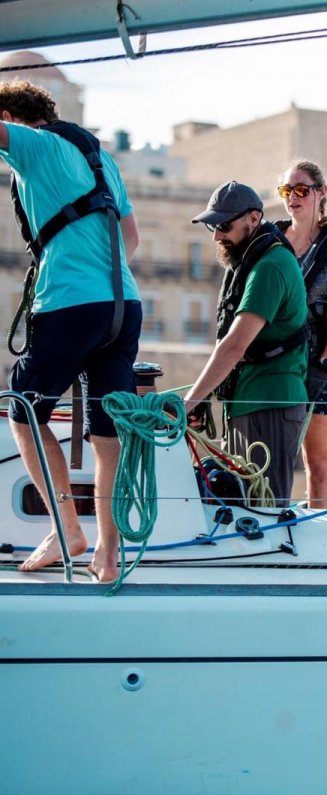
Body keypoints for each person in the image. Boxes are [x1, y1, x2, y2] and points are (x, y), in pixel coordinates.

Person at [1, 79, 142, 582]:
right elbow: (131, 236)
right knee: (108, 434)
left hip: (69, 303)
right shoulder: (99, 158)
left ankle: (66, 528)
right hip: (124, 304)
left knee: (23, 407)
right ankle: (107, 549)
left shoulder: (34, 145)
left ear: (14, 119)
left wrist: (74, 274)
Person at [184, 181, 308, 507]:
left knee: (263, 513)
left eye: (224, 226)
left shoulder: (270, 266)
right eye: (213, 226)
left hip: (268, 404)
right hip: (250, 403)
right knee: (245, 511)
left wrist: (189, 403)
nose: (216, 236)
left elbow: (234, 345)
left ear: (254, 219)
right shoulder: (255, 261)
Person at [276, 160, 327, 509]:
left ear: (320, 192)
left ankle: (322, 532)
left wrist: (323, 365)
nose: (293, 197)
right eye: (287, 191)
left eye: (301, 190)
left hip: (323, 364)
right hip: (277, 361)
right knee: (272, 455)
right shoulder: (271, 241)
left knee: (319, 461)